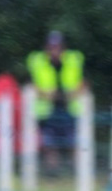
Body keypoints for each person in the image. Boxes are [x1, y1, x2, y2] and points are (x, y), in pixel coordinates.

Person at [25, 31, 87, 173]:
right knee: (49, 143)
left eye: (57, 46)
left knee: (74, 142)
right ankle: (53, 173)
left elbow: (84, 83)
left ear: (63, 47)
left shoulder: (74, 60)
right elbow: (30, 85)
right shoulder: (37, 61)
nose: (54, 50)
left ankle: (77, 172)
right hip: (46, 109)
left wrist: (74, 94)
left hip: (70, 107)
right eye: (51, 47)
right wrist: (44, 94)